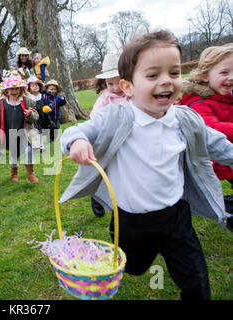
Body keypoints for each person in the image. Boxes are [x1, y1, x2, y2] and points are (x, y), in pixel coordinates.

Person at [60, 30, 233, 300]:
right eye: (153, 75)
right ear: (128, 86)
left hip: (176, 215)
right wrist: (77, 143)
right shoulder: (115, 117)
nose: (166, 82)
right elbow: (74, 132)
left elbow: (219, 145)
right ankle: (121, 241)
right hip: (132, 219)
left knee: (196, 279)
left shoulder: (185, 120)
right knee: (135, 266)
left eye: (174, 73)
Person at [181, 44, 233, 230]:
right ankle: (225, 209)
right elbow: (210, 128)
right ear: (205, 76)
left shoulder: (225, 96)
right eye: (224, 72)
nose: (231, 77)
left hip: (227, 154)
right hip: (212, 158)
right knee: (206, 190)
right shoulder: (198, 102)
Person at [89, 53, 129, 218]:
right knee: (105, 173)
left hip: (127, 142)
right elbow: (94, 120)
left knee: (123, 174)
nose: (116, 88)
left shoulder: (133, 96)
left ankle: (124, 201)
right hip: (108, 142)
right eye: (110, 84)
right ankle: (97, 196)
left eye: (119, 82)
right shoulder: (105, 101)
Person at [0, 73, 40, 184]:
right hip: (10, 134)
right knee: (14, 154)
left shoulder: (28, 102)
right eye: (11, 89)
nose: (14, 91)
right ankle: (14, 172)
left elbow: (36, 116)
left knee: (28, 151)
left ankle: (31, 173)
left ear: (21, 89)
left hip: (25, 133)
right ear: (6, 91)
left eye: (16, 89)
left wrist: (30, 115)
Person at [90, 53, 129, 119]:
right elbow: (95, 118)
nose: (116, 88)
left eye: (120, 83)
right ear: (105, 83)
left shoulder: (132, 95)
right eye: (110, 84)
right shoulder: (104, 100)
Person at [26, 76, 53, 152]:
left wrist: (49, 107)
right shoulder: (29, 97)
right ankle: (40, 146)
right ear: (29, 88)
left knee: (42, 130)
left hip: (43, 116)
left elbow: (49, 103)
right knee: (37, 131)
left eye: (37, 85)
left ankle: (39, 145)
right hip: (34, 117)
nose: (35, 87)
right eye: (33, 86)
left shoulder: (43, 95)